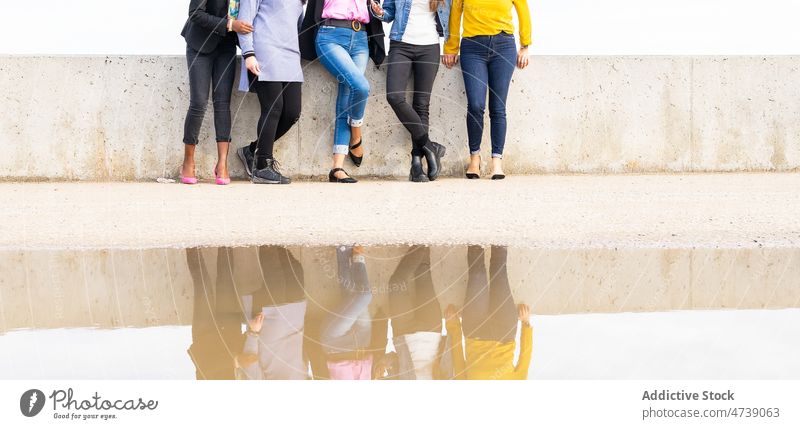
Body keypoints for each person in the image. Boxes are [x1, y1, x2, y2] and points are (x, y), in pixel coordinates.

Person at [442, 0, 531, 179]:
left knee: (498, 107)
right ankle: (474, 158)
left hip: (504, 46)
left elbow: (523, 10)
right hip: (472, 47)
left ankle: (496, 162)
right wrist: (451, 47)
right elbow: (455, 15)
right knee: (475, 104)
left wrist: (525, 45)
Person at [299, 0, 386, 183]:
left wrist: (375, 9)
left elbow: (375, 9)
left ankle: (337, 168)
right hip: (330, 36)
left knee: (346, 99)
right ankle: (356, 135)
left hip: (361, 38)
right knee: (361, 86)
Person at [370, 0, 450, 182]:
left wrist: (451, 46)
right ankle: (430, 147)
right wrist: (380, 12)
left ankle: (416, 165)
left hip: (429, 46)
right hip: (401, 45)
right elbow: (389, 13)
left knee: (421, 105)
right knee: (394, 96)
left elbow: (451, 14)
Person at [180, 0, 254, 185]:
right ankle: (188, 160)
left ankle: (222, 163)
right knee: (199, 102)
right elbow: (195, 13)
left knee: (223, 104)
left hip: (227, 45)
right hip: (200, 43)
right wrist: (229, 24)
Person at [235, 0, 305, 184]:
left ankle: (251, 151)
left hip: (290, 54)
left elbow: (297, 25)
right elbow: (244, 20)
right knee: (273, 108)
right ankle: (262, 167)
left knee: (292, 112)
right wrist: (248, 53)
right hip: (264, 50)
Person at [445, 246, 532, 379]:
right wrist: (526, 323)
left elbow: (458, 361)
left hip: (474, 332)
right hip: (505, 333)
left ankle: (475, 234)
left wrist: (453, 325)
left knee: (477, 273)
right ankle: (499, 230)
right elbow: (525, 358)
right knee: (499, 271)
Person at [372, 246, 449, 379]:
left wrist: (384, 363)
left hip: (404, 331)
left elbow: (395, 359)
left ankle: (420, 245)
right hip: (433, 331)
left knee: (396, 283)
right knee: (424, 272)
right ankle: (423, 241)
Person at [235, 246, 308, 379]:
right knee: (295, 269)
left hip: (272, 326)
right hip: (295, 322)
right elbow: (305, 361)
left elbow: (248, 361)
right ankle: (275, 238)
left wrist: (253, 332)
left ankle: (266, 238)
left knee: (275, 274)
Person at [319, 246, 378, 379]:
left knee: (364, 296)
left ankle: (357, 256)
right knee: (350, 296)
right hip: (363, 341)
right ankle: (343, 252)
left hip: (335, 344)